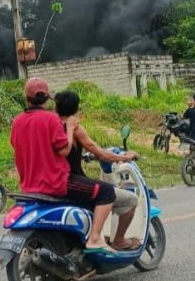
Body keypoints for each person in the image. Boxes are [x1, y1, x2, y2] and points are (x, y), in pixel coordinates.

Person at [10, 78, 116, 254]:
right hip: (56, 183)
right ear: (47, 98)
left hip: (28, 187)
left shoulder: (17, 122)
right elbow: (65, 149)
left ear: (27, 98)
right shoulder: (52, 119)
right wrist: (70, 128)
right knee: (107, 191)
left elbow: (18, 146)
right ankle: (95, 239)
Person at [54, 91, 141, 250]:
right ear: (77, 108)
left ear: (55, 108)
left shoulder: (51, 126)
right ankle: (116, 240)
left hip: (53, 181)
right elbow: (101, 153)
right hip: (70, 181)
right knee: (129, 199)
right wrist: (124, 157)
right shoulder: (75, 128)